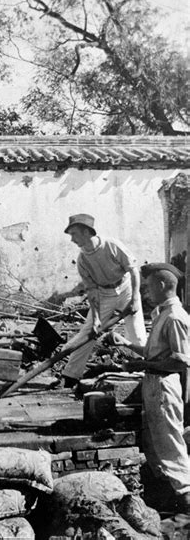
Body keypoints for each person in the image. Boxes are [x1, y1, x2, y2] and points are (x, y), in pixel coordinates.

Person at [117, 263, 190, 514]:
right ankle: (170, 498)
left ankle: (186, 496)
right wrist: (127, 344)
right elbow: (155, 353)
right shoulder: (162, 315)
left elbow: (181, 361)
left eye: (148, 287)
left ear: (162, 285)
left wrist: (141, 364)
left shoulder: (175, 317)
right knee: (156, 444)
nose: (146, 293)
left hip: (164, 384)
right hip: (153, 382)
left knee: (171, 443)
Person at [61, 214, 147, 386]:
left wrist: (136, 299)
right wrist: (97, 319)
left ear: (87, 232)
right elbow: (92, 291)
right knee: (88, 333)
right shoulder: (82, 259)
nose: (72, 239)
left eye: (74, 234)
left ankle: (143, 370)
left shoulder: (112, 245)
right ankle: (71, 375)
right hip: (103, 295)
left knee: (136, 331)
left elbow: (133, 270)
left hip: (125, 289)